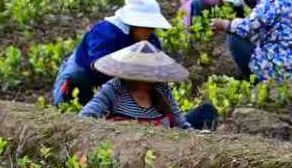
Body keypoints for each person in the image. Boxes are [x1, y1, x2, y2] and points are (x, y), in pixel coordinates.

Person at [52, 0, 171, 106]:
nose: (150, 31)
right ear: (133, 23)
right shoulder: (105, 32)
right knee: (74, 90)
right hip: (86, 71)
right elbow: (98, 65)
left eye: (152, 27)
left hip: (119, 76)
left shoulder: (150, 38)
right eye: (146, 26)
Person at [78, 42, 216, 130]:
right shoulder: (115, 88)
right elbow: (86, 117)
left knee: (207, 111)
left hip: (164, 146)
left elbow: (181, 123)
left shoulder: (162, 89)